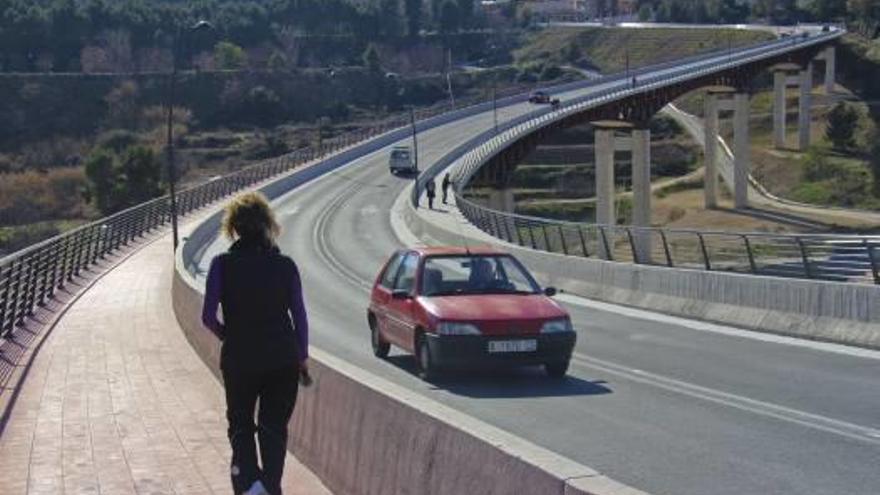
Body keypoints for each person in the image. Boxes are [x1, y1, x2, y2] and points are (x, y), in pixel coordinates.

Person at [202, 192, 309, 495]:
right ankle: (270, 487)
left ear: (233, 228)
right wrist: (301, 355)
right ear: (267, 226)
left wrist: (229, 335)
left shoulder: (221, 265)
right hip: (282, 360)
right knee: (273, 429)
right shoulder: (286, 265)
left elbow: (208, 317)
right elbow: (299, 315)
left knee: (241, 426)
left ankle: (249, 485)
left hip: (239, 359)